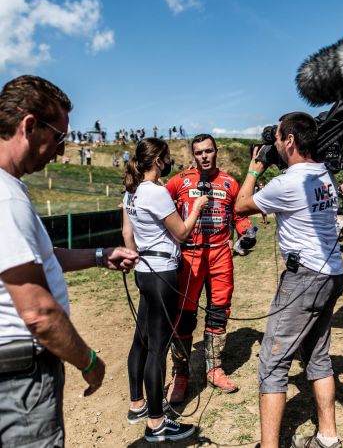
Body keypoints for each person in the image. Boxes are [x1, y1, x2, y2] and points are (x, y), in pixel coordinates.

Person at [0, 75, 138, 447]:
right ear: (29, 126)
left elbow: (43, 257)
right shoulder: (6, 199)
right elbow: (39, 314)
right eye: (59, 137)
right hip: (20, 376)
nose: (61, 151)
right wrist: (88, 362)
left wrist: (100, 255)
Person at [235, 112, 343, 448]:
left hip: (304, 279)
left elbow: (241, 206)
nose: (276, 144)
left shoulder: (287, 182)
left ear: (290, 140)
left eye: (278, 138)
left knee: (272, 362)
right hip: (332, 273)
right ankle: (328, 438)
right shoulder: (324, 174)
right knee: (317, 355)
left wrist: (255, 169)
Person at [122, 138, 208, 442]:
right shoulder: (156, 192)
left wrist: (135, 259)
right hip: (162, 273)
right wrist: (197, 207)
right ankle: (157, 422)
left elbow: (127, 233)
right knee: (157, 348)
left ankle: (137, 404)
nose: (170, 161)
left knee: (141, 340)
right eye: (168, 157)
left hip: (144, 270)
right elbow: (181, 232)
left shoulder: (131, 192)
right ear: (158, 160)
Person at [165, 134, 253, 402]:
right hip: (189, 255)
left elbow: (238, 214)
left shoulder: (229, 182)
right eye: (199, 152)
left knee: (219, 312)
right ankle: (180, 374)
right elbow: (159, 206)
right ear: (193, 155)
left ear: (216, 151)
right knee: (183, 316)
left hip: (220, 255)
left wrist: (246, 232)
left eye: (208, 151)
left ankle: (213, 369)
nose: (204, 156)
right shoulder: (180, 181)